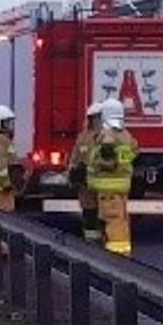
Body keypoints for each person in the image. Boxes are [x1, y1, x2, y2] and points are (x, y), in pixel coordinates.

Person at [87, 99, 138, 255]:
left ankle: (117, 257)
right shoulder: (126, 135)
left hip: (108, 189)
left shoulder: (107, 135)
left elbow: (107, 162)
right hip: (121, 187)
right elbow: (133, 152)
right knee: (120, 220)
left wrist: (97, 164)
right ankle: (120, 251)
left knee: (113, 221)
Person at [69, 102, 104, 243]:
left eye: (97, 118)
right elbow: (75, 158)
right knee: (90, 214)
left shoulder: (103, 136)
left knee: (99, 213)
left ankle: (97, 238)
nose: (95, 121)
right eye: (93, 118)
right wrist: (73, 173)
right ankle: (92, 240)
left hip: (99, 183)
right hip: (88, 184)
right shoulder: (83, 136)